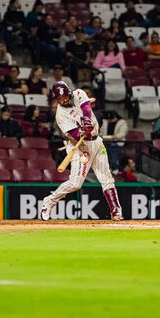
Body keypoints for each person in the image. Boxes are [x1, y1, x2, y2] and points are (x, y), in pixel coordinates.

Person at [39, 82, 124, 221]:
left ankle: (116, 211)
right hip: (79, 146)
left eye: (65, 97)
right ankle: (49, 201)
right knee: (75, 183)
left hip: (97, 142)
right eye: (60, 99)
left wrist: (86, 121)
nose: (63, 100)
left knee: (107, 178)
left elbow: (86, 108)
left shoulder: (79, 93)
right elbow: (75, 135)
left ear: (69, 93)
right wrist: (85, 133)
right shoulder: (60, 115)